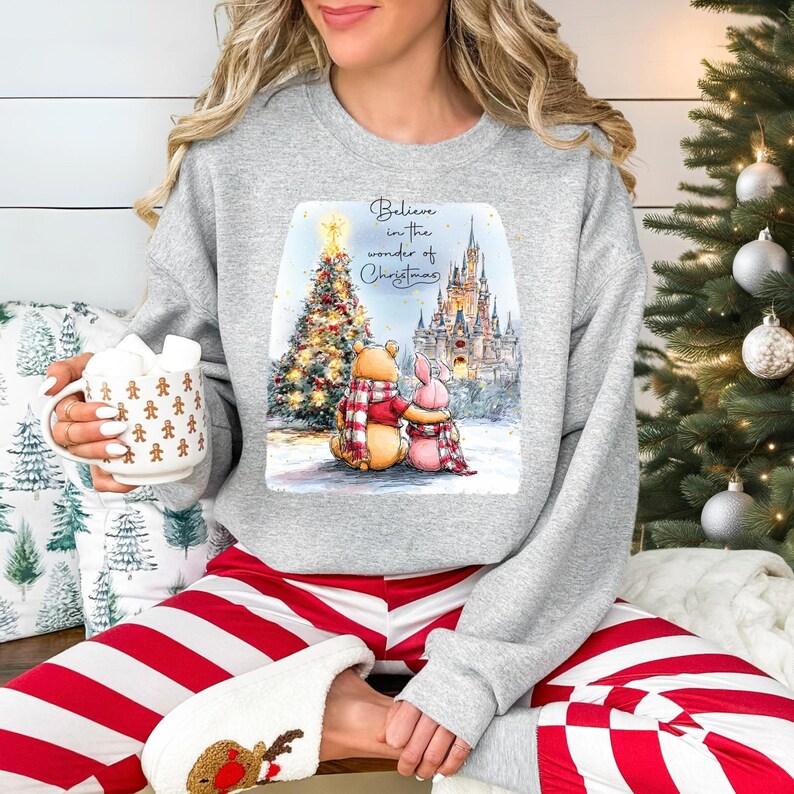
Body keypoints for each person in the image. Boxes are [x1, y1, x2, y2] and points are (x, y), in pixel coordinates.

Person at [4, 0, 794, 792]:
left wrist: (475, 680)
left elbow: (592, 457)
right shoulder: (235, 156)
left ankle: (337, 729)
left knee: (771, 756)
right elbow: (209, 394)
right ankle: (351, 722)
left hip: (501, 595)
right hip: (275, 590)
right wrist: (143, 437)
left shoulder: (566, 169)